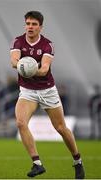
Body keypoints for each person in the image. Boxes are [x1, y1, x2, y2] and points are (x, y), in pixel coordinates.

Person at [10, 11, 85, 179]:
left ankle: (77, 161)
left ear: (40, 27)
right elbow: (14, 61)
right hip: (27, 91)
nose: (30, 27)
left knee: (61, 128)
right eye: (28, 23)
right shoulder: (18, 41)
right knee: (21, 123)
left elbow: (44, 70)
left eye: (34, 24)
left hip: (47, 91)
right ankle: (37, 164)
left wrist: (30, 69)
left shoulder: (47, 45)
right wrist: (21, 64)